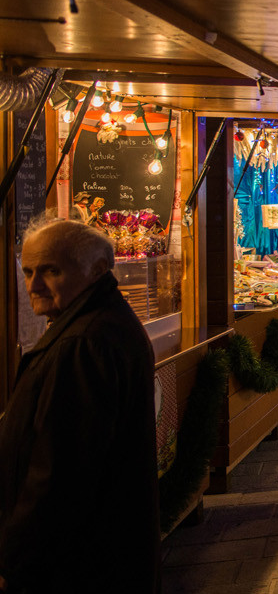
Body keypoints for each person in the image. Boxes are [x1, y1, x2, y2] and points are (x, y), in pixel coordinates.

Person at [0, 219, 159, 592]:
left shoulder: (83, 343)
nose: (33, 285)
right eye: (27, 271)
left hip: (80, 564)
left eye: (51, 271)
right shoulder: (93, 323)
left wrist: (13, 562)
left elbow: (59, 473)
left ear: (97, 270)